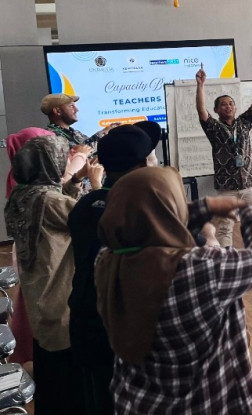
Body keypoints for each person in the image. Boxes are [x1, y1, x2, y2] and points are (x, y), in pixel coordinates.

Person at [95, 167, 252, 414]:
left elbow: (158, 221)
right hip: (201, 403)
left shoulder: (106, 260)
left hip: (136, 400)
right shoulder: (197, 269)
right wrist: (251, 210)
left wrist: (207, 206)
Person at [67, 122, 163, 414]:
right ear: (143, 164)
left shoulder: (86, 206)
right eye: (151, 157)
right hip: (124, 332)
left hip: (85, 321)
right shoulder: (142, 210)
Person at [3, 134, 99, 414]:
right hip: (60, 298)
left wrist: (73, 181)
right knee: (71, 383)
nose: (65, 161)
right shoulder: (47, 201)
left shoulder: (22, 195)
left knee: (50, 369)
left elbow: (59, 208)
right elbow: (89, 217)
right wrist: (95, 183)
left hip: (39, 297)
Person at [196, 62, 252, 247]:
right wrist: (200, 85)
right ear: (217, 110)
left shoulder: (244, 123)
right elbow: (201, 111)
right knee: (225, 226)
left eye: (231, 104)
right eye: (223, 105)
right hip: (227, 186)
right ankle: (226, 257)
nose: (228, 106)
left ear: (235, 108)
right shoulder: (214, 128)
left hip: (248, 183)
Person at [41, 93, 114, 147]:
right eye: (71, 106)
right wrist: (102, 134)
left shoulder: (75, 133)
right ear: (57, 111)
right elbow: (77, 154)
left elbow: (93, 148)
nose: (76, 110)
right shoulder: (51, 136)